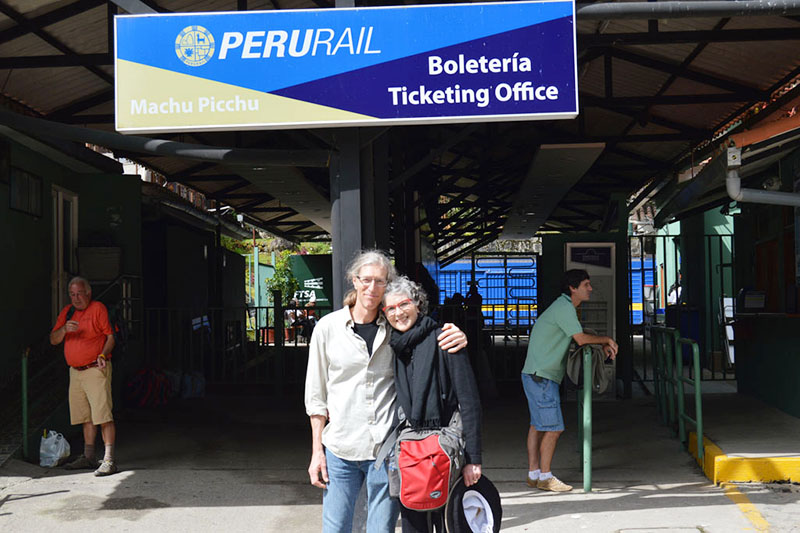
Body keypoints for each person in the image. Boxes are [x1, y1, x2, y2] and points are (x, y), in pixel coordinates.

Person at [305, 250, 467, 533]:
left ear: (387, 285)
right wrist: (317, 451)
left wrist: (458, 334)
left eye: (380, 281)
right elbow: (316, 397)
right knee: (335, 527)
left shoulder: (396, 329)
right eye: (366, 280)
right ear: (354, 281)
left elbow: (429, 331)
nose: (372, 288)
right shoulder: (328, 329)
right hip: (340, 449)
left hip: (386, 448)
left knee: (382, 529)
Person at [383, 276, 482, 533]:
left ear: (418, 304)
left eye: (403, 304)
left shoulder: (445, 339)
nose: (398, 313)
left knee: (449, 522)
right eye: (390, 308)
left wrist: (473, 459)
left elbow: (469, 401)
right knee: (412, 522)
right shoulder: (393, 346)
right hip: (410, 451)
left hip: (445, 448)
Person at [521, 269, 618, 492]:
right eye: (586, 284)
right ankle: (545, 477)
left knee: (537, 426)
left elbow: (577, 337)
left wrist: (599, 344)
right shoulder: (565, 308)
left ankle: (533, 473)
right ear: (573, 288)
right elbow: (581, 338)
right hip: (542, 377)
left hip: (535, 374)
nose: (590, 288)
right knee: (554, 428)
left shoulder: (562, 306)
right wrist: (607, 339)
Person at [49, 276, 118, 476]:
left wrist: (103, 355)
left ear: (88, 293)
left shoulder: (98, 309)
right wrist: (63, 329)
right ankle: (88, 457)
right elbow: (53, 340)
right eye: (72, 294)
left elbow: (110, 337)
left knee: (103, 415)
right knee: (85, 417)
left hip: (95, 368)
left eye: (80, 293)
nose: (76, 298)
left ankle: (109, 459)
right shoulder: (67, 312)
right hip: (75, 371)